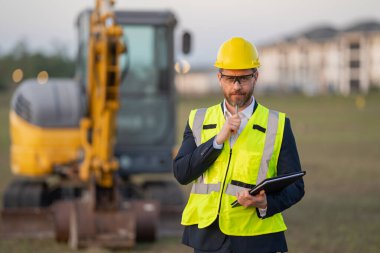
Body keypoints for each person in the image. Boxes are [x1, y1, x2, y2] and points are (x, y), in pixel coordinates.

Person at [173, 37, 305, 253]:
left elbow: (296, 186)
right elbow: (181, 173)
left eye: (243, 78)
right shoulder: (198, 119)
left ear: (256, 77)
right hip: (208, 238)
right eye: (229, 78)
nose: (236, 86)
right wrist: (217, 140)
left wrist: (264, 204)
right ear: (219, 77)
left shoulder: (278, 124)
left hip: (256, 240)